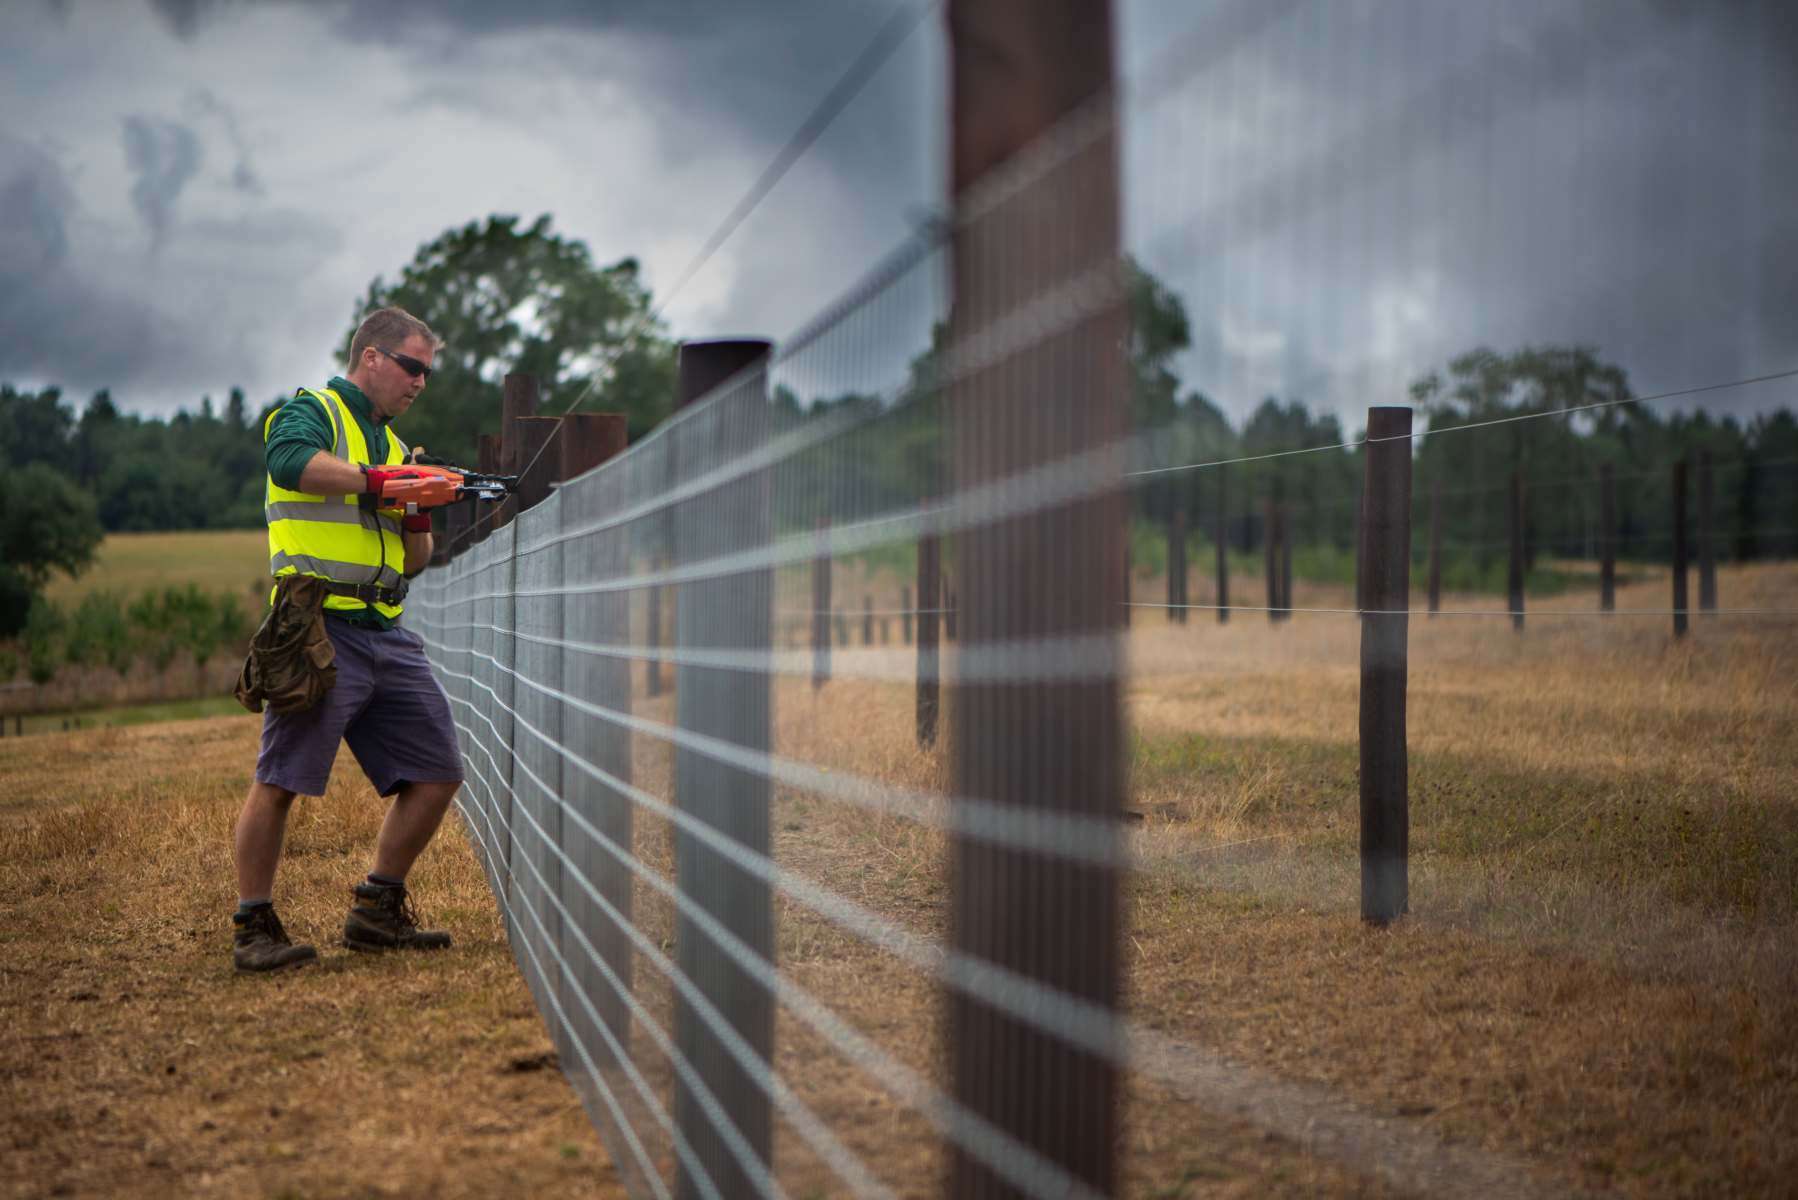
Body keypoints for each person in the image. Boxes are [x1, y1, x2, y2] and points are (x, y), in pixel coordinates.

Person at [231, 306, 465, 972]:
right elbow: (288, 464)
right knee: (280, 782)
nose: (420, 383)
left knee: (437, 771)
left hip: (385, 630)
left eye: (426, 372)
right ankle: (253, 926)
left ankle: (376, 910)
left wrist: (419, 508)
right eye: (411, 367)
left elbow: (411, 561)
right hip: (315, 629)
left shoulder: (392, 449)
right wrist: (381, 484)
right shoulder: (313, 413)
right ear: (371, 358)